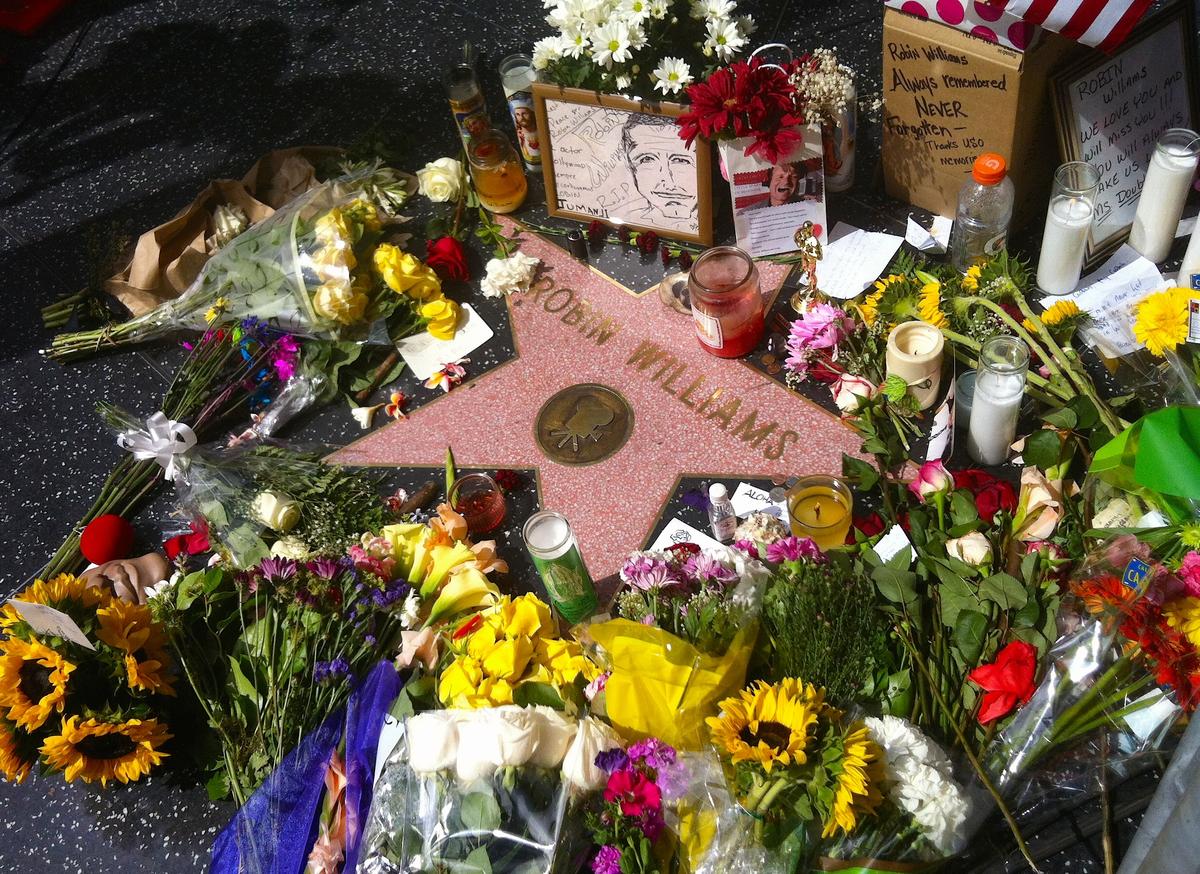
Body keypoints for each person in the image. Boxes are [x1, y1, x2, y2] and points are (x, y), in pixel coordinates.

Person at [618, 113, 697, 230]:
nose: (668, 184)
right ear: (629, 163)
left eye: (681, 160)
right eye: (647, 159)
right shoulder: (628, 223)